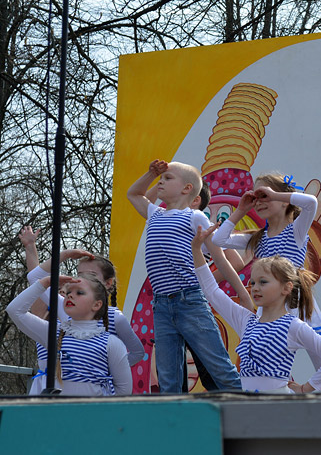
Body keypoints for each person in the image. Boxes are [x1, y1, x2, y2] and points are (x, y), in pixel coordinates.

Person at [212, 172, 321, 390]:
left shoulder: (296, 230)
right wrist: (241, 211)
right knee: (273, 357)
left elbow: (311, 203)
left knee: (320, 358)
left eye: (265, 196)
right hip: (271, 307)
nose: (260, 201)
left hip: (294, 302)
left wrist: (276, 194)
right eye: (257, 197)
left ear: (285, 201)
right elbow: (219, 239)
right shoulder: (257, 238)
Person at [127, 159, 241, 393]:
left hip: (189, 300)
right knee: (169, 377)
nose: (161, 181)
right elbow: (134, 194)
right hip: (161, 304)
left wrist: (243, 295)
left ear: (187, 188)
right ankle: (175, 425)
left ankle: (252, 414)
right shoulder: (155, 214)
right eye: (161, 178)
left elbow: (221, 259)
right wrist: (151, 173)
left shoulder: (195, 217)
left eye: (167, 178)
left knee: (219, 366)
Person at [193, 226, 321, 393]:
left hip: (277, 407)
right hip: (248, 407)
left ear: (286, 288)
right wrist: (196, 250)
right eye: (253, 283)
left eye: (263, 282)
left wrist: (306, 388)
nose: (255, 288)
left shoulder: (293, 326)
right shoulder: (246, 320)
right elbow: (211, 290)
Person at [19, 227, 144, 394]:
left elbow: (137, 351)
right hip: (59, 388)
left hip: (94, 394)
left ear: (108, 283)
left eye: (91, 274)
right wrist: (65, 255)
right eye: (79, 274)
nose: (82, 279)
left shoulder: (115, 318)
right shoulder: (66, 309)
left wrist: (110, 367)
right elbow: (35, 278)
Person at [6, 272, 131, 395]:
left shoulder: (112, 343)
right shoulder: (53, 333)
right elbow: (14, 310)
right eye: (69, 292)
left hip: (93, 414)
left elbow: (124, 391)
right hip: (56, 414)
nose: (70, 295)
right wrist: (45, 283)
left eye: (79, 292)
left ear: (96, 304)